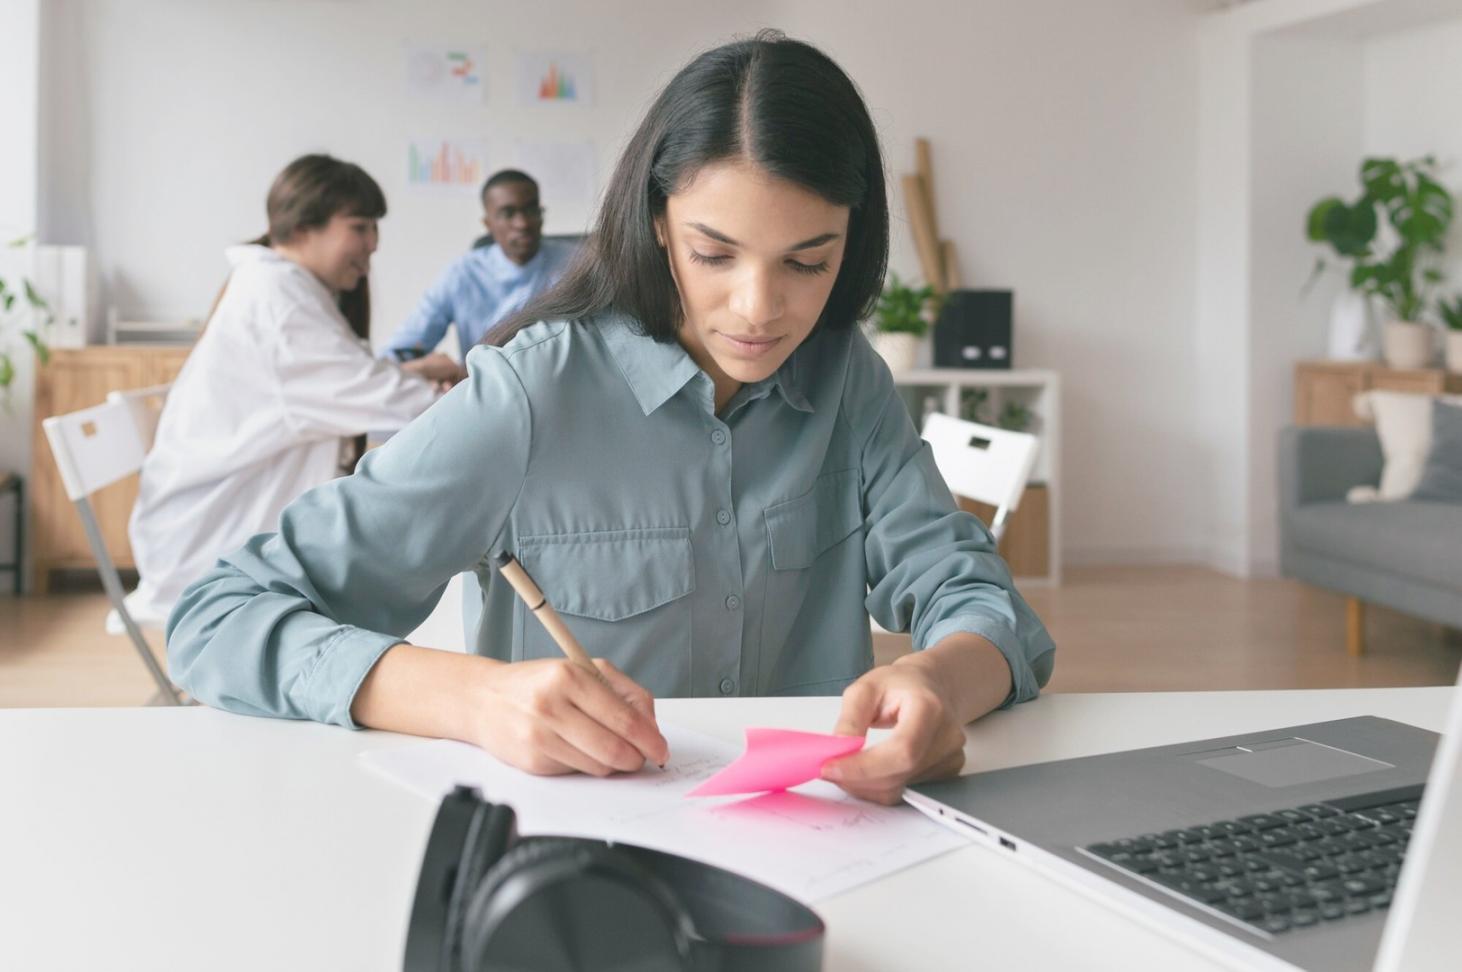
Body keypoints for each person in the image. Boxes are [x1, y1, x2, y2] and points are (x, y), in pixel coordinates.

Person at [168, 33, 1055, 806]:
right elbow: (217, 617)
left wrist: (940, 679)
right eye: (715, 253)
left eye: (806, 263)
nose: (759, 309)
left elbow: (982, 603)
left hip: (825, 856)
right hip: (585, 882)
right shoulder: (530, 396)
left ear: (849, 247)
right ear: (659, 226)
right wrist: (477, 701)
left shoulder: (845, 381)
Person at [126, 154, 455, 627]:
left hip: (205, 524)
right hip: (210, 548)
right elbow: (393, 404)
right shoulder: (280, 303)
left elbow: (344, 381)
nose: (373, 244)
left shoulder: (274, 284)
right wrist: (478, 396)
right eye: (360, 227)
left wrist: (415, 370)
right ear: (304, 228)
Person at [380, 169, 576, 365]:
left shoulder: (577, 262)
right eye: (508, 214)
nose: (522, 223)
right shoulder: (463, 273)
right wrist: (429, 369)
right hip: (485, 386)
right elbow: (402, 349)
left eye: (531, 210)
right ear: (488, 224)